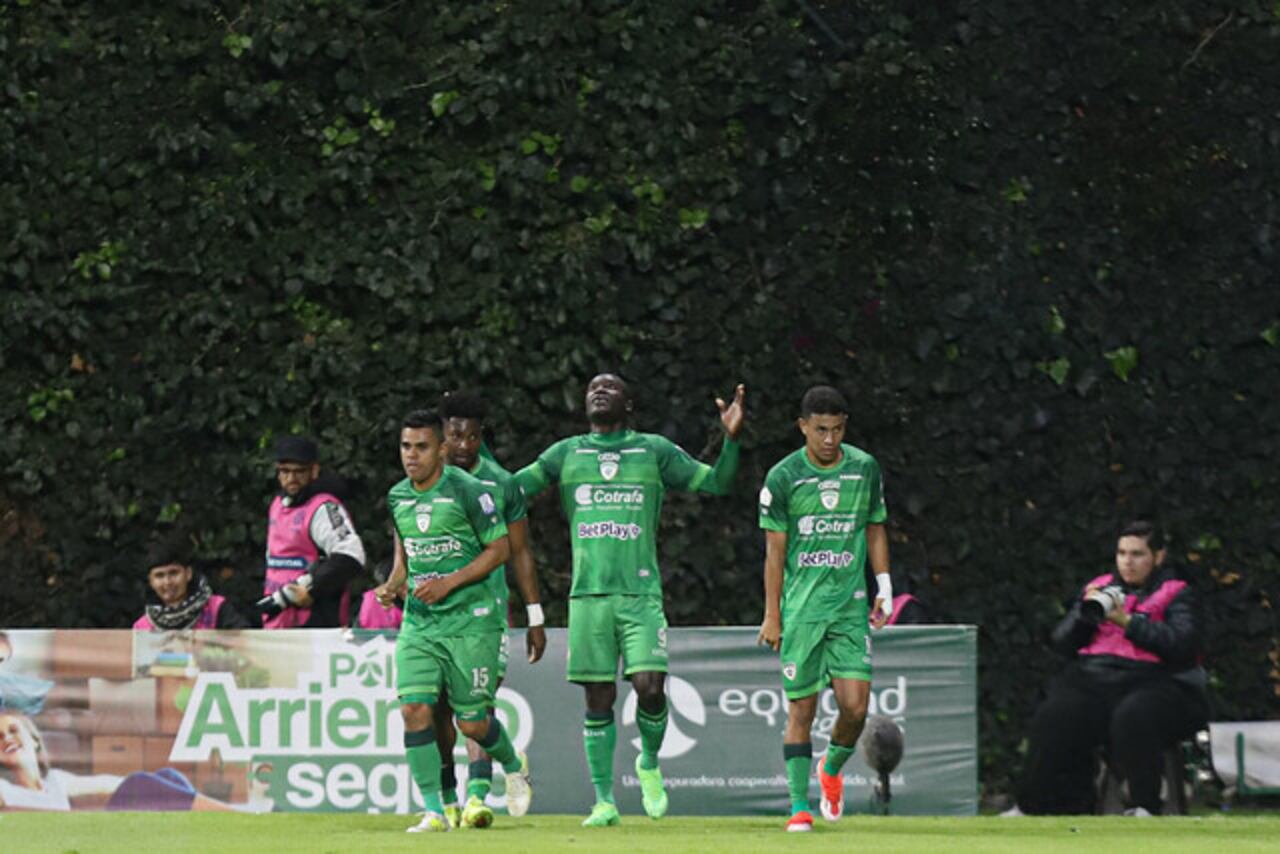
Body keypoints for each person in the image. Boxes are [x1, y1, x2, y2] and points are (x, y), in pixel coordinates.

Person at [516, 373, 745, 827]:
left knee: (650, 687)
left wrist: (731, 440)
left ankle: (649, 763)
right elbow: (508, 490)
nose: (599, 391)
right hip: (589, 596)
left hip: (640, 594)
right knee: (598, 700)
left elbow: (717, 483)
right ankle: (604, 801)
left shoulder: (653, 451)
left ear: (630, 404)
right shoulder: (565, 453)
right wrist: (471, 460)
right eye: (592, 388)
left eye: (612, 387)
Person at [375, 409, 531, 833]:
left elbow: (499, 549)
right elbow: (406, 560)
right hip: (421, 623)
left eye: (422, 447)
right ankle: (433, 810)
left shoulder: (469, 490)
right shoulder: (397, 497)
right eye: (406, 446)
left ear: (441, 449)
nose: (412, 456)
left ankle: (515, 765)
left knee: (471, 722)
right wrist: (393, 585)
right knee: (414, 709)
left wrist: (449, 582)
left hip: (471, 621)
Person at [756, 385, 892, 832]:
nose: (829, 439)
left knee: (855, 708)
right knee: (802, 712)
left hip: (849, 608)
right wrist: (772, 614)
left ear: (844, 426)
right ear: (803, 428)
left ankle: (830, 769)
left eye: (836, 430)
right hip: (802, 611)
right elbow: (774, 553)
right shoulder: (783, 477)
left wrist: (884, 586)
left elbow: (874, 527)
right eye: (820, 430)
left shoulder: (864, 468)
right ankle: (799, 806)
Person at [1007, 521, 1209, 816]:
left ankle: (1144, 806)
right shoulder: (1099, 587)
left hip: (1158, 681)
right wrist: (1084, 615)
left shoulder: (1178, 592)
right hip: (1096, 677)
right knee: (1055, 715)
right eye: (1122, 553)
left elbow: (1181, 645)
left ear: (1158, 556)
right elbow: (1061, 643)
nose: (1128, 562)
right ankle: (1034, 806)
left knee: (1134, 714)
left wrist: (1128, 623)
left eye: (1138, 554)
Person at [433, 390, 547, 829]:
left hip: (487, 613)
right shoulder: (427, 481)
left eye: (472, 436)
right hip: (438, 617)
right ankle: (505, 764)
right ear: (442, 436)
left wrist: (535, 616)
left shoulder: (500, 483)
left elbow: (520, 553)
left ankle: (477, 797)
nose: (464, 445)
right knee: (442, 708)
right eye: (456, 435)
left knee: (474, 709)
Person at [261, 435, 366, 628]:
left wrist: (311, 589)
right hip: (278, 620)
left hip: (315, 624)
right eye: (285, 471)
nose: (291, 478)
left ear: (314, 470)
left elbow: (351, 555)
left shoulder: (323, 507)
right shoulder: (277, 504)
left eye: (299, 472)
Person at [133, 533, 251, 630]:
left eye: (174, 573)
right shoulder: (142, 627)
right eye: (159, 576)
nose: (167, 582)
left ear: (188, 574)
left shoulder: (217, 609)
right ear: (151, 581)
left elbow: (243, 643)